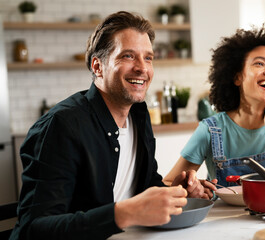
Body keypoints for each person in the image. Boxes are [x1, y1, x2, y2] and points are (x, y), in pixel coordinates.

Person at [10, 11, 206, 240]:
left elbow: (143, 183)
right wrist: (122, 213)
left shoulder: (139, 115)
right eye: (128, 56)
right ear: (97, 66)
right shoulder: (62, 126)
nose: (142, 68)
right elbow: (33, 230)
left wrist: (176, 191)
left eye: (148, 57)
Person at [163, 24, 265, 196]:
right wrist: (191, 190)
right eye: (260, 63)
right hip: (226, 220)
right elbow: (168, 184)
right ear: (238, 77)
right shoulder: (210, 130)